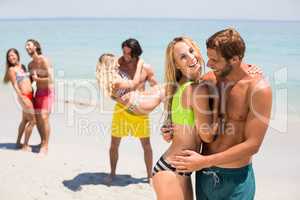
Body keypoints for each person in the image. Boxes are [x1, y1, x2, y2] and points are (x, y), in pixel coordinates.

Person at [168, 28, 272, 200]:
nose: (208, 64)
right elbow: (188, 110)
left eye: (215, 60)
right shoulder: (209, 80)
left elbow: (253, 144)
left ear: (235, 59)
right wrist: (173, 128)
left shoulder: (258, 90)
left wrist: (204, 161)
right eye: (208, 57)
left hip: (235, 180)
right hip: (204, 176)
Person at [151, 36, 218, 200]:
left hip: (175, 169)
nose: (191, 57)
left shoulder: (180, 87)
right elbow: (207, 135)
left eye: (191, 51)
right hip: (173, 170)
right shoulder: (195, 90)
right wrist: (219, 108)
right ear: (176, 65)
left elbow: (174, 129)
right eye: (183, 57)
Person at [104, 38, 159, 184]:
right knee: (114, 144)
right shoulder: (117, 66)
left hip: (139, 111)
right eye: (124, 52)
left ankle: (149, 176)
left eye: (129, 54)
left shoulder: (146, 68)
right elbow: (110, 88)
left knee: (146, 145)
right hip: (121, 109)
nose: (126, 56)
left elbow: (156, 87)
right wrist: (115, 97)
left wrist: (149, 98)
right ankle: (112, 173)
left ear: (136, 53)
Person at [25, 39, 54, 155]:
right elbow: (30, 81)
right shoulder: (30, 65)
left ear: (36, 47)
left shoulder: (44, 60)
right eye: (26, 46)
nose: (27, 47)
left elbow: (51, 79)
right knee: (37, 119)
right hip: (38, 93)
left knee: (44, 116)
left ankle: (45, 146)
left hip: (48, 92)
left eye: (29, 45)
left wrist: (38, 79)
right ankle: (42, 141)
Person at [3, 48, 35, 151]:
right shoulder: (11, 70)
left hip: (30, 94)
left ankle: (17, 143)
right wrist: (22, 97)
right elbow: (15, 85)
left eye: (13, 55)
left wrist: (35, 76)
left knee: (25, 120)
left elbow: (28, 80)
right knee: (33, 121)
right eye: (9, 56)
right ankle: (25, 145)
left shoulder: (23, 67)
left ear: (17, 55)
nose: (11, 58)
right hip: (24, 96)